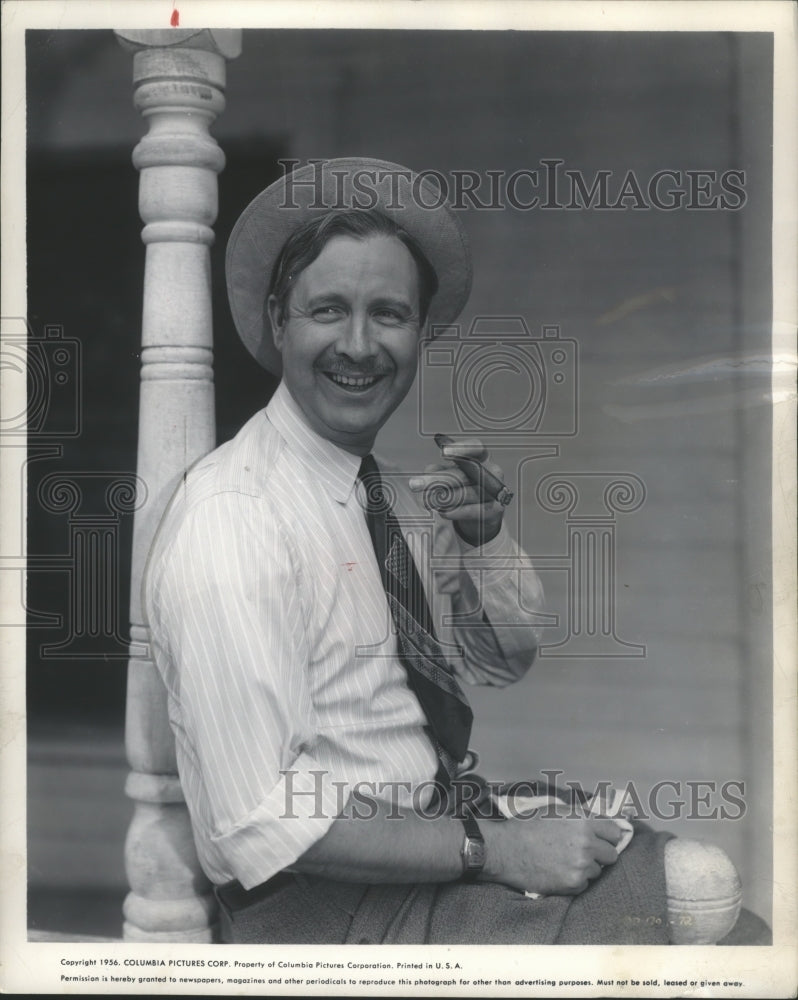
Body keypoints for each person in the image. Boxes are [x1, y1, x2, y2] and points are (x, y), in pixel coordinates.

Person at [144, 158, 750, 946]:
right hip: (323, 910)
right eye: (328, 309)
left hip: (428, 846)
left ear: (420, 332)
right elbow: (259, 823)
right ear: (278, 319)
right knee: (698, 903)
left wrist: (483, 539)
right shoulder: (235, 517)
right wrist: (496, 850)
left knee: (705, 895)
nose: (359, 346)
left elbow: (503, 657)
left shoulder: (386, 495)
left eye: (388, 314)